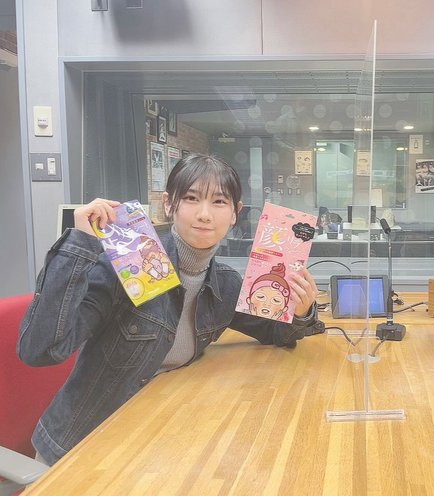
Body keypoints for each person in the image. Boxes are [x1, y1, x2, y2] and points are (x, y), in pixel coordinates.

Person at [17, 153, 320, 465]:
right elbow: (41, 350)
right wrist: (80, 244)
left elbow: (274, 331)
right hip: (81, 447)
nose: (205, 214)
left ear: (235, 213)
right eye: (191, 198)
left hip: (157, 436)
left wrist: (300, 311)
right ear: (168, 203)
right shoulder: (129, 266)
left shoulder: (225, 285)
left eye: (219, 202)